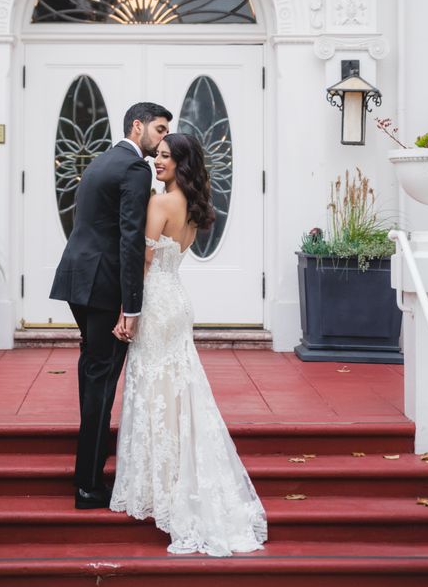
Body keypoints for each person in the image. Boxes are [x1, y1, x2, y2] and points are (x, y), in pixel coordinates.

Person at [110, 133, 268, 556]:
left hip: (155, 304)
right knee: (177, 390)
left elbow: (140, 262)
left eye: (164, 158)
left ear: (181, 164)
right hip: (177, 299)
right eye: (156, 155)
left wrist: (126, 312)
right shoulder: (195, 208)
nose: (156, 162)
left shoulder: (160, 203)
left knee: (153, 390)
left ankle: (163, 486)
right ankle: (179, 477)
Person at [50, 101, 172, 510]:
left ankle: (86, 472)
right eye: (158, 129)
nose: (161, 140)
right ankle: (87, 485)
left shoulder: (102, 160)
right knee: (101, 383)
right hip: (104, 287)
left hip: (77, 279)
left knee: (92, 373)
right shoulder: (135, 169)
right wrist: (132, 308)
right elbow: (130, 238)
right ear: (137, 126)